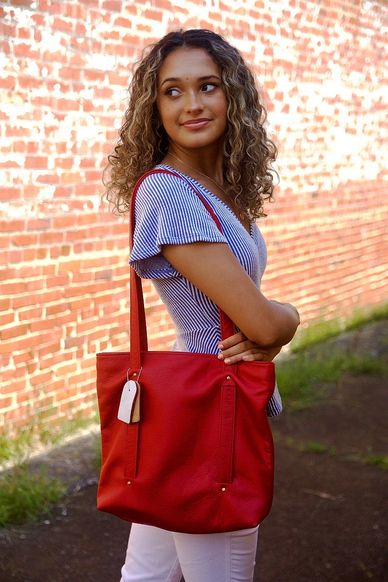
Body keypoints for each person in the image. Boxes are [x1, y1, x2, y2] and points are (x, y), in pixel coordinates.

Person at [104, 28, 300, 582]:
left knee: (145, 576)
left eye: (207, 86)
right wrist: (290, 318)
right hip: (213, 414)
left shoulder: (213, 187)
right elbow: (261, 322)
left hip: (189, 413)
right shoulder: (170, 192)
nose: (191, 104)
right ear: (154, 106)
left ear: (231, 95)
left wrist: (269, 324)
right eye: (172, 91)